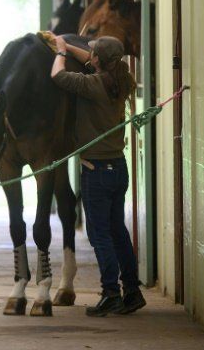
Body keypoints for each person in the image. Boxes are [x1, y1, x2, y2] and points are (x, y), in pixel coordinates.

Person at [49, 35, 146, 317]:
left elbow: (57, 75)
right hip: (118, 168)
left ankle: (110, 293)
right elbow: (93, 62)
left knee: (99, 235)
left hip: (96, 172)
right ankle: (132, 291)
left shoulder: (92, 85)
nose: (89, 56)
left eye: (93, 54)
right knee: (118, 231)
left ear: (99, 60)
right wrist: (67, 46)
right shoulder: (122, 80)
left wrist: (60, 53)